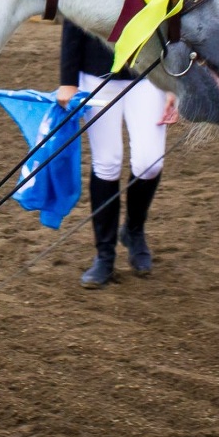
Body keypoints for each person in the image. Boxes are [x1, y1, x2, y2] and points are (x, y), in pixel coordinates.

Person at [57, 20, 178, 289]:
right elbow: (75, 15)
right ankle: (105, 256)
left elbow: (171, 17)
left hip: (149, 71)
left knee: (149, 163)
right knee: (107, 163)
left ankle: (133, 230)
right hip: (95, 72)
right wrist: (68, 80)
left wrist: (173, 82)